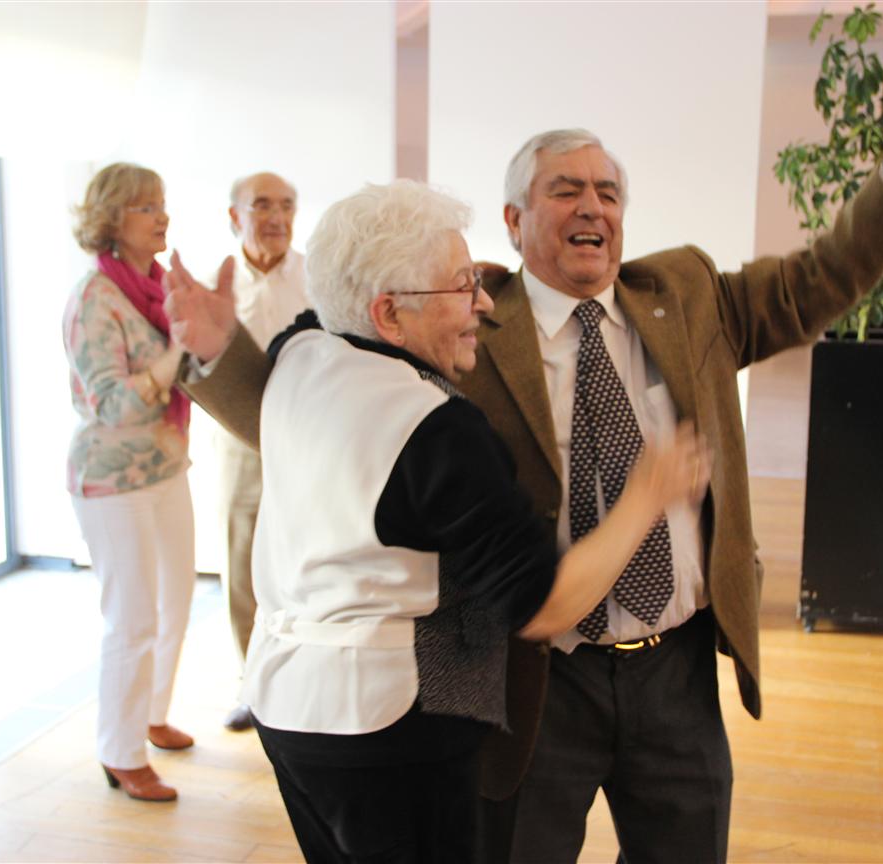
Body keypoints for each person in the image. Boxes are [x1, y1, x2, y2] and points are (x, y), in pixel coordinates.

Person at [165, 26, 883, 862]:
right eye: (566, 190)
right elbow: (311, 417)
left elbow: (822, 278)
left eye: (608, 191)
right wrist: (216, 351)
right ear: (515, 219)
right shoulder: (462, 321)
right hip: (534, 678)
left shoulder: (688, 294)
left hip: (677, 668)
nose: (593, 206)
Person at [166, 179, 709, 862]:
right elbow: (544, 605)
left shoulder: (303, 348)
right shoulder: (440, 431)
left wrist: (220, 343)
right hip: (388, 729)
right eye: (461, 285)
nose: (483, 301)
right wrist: (646, 496)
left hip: (287, 708)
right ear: (389, 314)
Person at [63, 163, 196, 802]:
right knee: (133, 618)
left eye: (161, 203)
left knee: (177, 602)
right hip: (113, 481)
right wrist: (173, 360)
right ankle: (120, 753)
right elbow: (110, 405)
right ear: (113, 220)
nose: (161, 216)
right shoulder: (95, 298)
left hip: (166, 466)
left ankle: (151, 713)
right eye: (146, 207)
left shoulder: (158, 285)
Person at [213, 172, 309, 733]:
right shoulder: (218, 288)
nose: (276, 217)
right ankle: (251, 685)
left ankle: (300, 677)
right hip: (240, 442)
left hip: (309, 438)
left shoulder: (318, 277)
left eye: (287, 205)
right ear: (235, 217)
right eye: (262, 205)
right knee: (243, 561)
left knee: (306, 559)